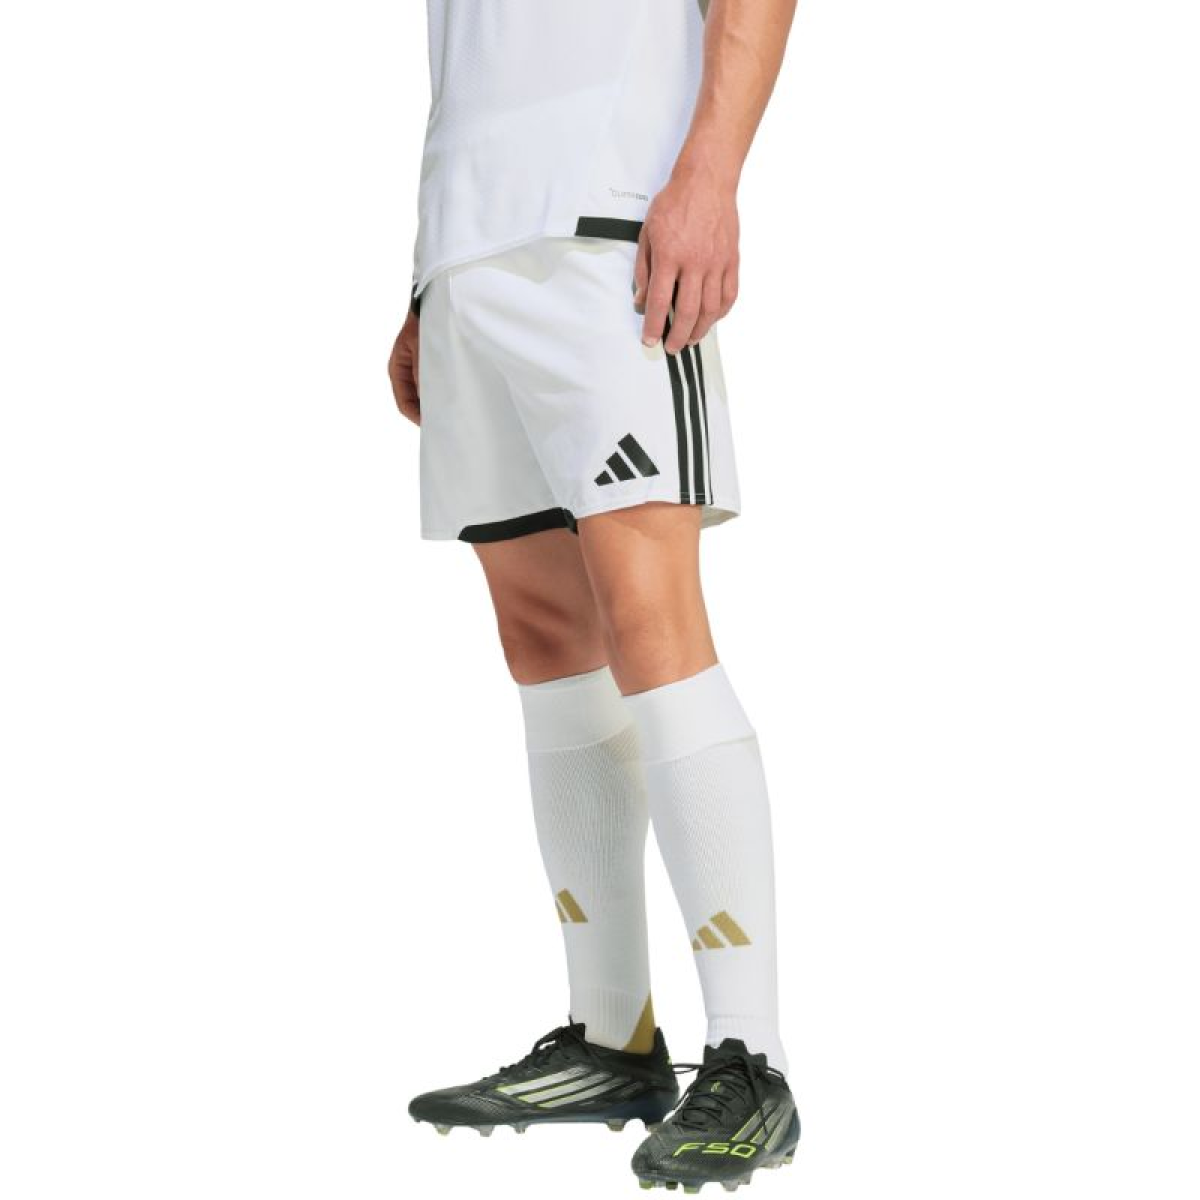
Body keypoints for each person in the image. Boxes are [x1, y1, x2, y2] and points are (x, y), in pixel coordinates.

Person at [388, 0, 800, 1189]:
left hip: (613, 218)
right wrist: (428, 279)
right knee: (543, 638)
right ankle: (613, 1040)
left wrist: (710, 177)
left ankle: (754, 1063)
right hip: (471, 241)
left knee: (650, 618)